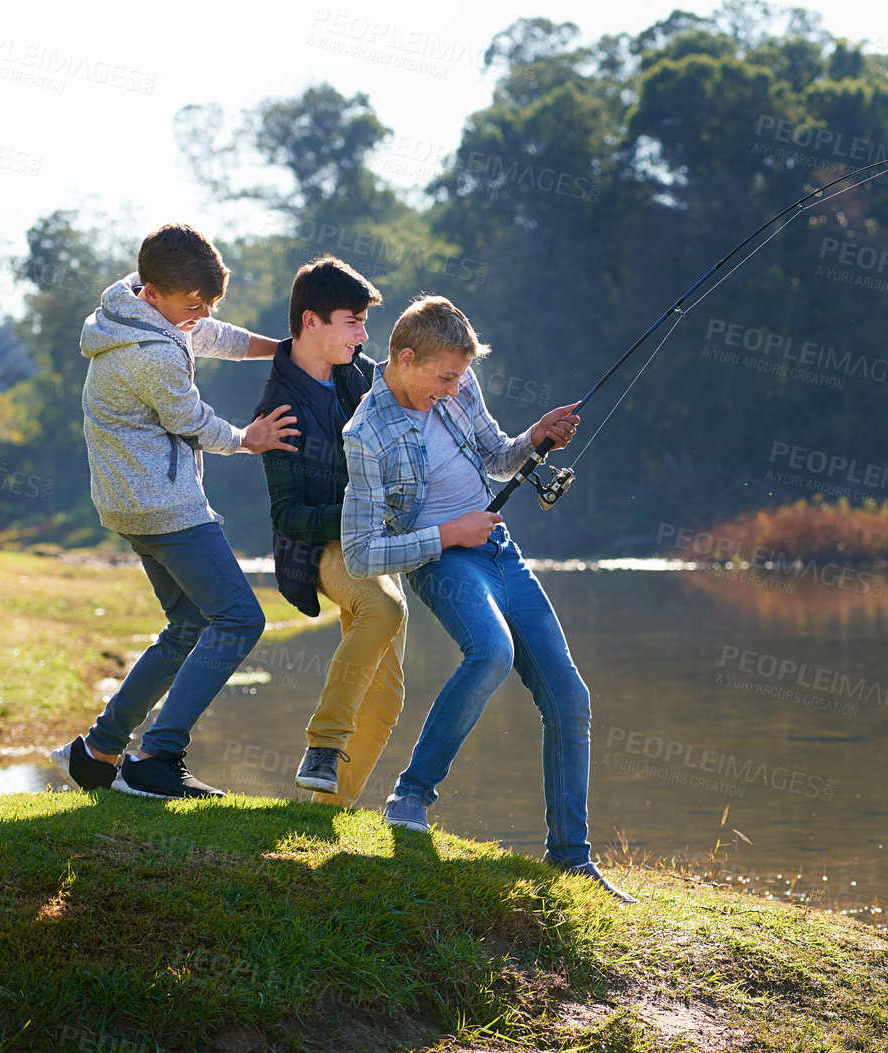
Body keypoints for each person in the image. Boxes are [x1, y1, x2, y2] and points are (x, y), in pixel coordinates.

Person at [339, 295, 634, 903]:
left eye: (461, 377)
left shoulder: (459, 385)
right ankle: (410, 798)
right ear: (405, 358)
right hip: (441, 561)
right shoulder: (365, 433)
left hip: (501, 551)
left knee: (570, 697)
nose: (453, 388)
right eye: (445, 378)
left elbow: (498, 459)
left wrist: (537, 437)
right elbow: (362, 553)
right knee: (492, 652)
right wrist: (450, 534)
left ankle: (571, 860)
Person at [49, 223, 298, 799]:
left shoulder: (135, 312)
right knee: (240, 619)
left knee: (187, 626)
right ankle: (156, 758)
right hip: (166, 507)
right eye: (194, 305)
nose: (202, 314)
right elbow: (194, 423)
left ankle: (96, 752)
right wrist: (249, 437)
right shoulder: (151, 353)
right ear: (155, 293)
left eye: (209, 303)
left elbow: (208, 334)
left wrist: (278, 348)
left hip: (132, 503)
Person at [254, 256, 404, 807]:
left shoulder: (354, 374)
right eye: (353, 322)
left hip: (373, 540)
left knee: (386, 700)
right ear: (311, 321)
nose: (364, 335)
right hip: (318, 548)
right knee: (384, 610)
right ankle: (321, 746)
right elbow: (288, 515)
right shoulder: (279, 407)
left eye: (365, 323)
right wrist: (357, 510)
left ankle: (326, 810)